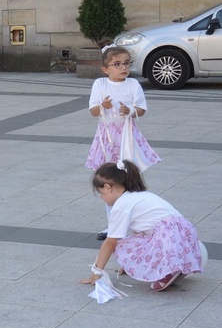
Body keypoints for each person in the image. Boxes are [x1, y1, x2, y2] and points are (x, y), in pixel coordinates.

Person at [80, 160, 203, 291]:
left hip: (168, 237)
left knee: (120, 243)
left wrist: (96, 272)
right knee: (136, 240)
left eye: (101, 193)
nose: (101, 198)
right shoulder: (141, 195)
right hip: (185, 233)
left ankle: (169, 271)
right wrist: (131, 263)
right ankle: (177, 267)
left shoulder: (121, 206)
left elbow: (110, 242)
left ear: (108, 187)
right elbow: (139, 234)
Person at [85, 43, 160, 240]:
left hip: (127, 136)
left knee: (128, 178)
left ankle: (136, 222)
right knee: (109, 180)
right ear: (106, 68)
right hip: (107, 139)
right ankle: (112, 225)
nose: (123, 68)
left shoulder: (133, 85)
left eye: (126, 63)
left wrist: (131, 111)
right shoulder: (100, 85)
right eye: (117, 64)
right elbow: (93, 112)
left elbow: (141, 109)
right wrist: (103, 106)